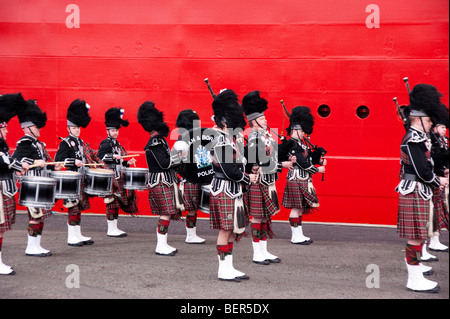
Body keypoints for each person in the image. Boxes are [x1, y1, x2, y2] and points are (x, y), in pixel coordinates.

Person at [396, 84, 448, 293]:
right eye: (428, 121)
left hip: (420, 189)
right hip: (415, 188)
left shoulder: (419, 138)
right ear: (418, 120)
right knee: (415, 236)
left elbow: (427, 165)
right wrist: (438, 181)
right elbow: (421, 171)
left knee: (419, 235)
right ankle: (414, 278)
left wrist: (437, 174)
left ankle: (416, 272)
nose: (431, 124)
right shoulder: (413, 139)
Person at [209, 89, 257, 281]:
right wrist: (247, 178)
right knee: (225, 229)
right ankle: (223, 270)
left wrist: (247, 170)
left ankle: (229, 266)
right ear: (224, 121)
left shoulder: (227, 138)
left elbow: (236, 163)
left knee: (231, 229)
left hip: (232, 189)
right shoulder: (218, 138)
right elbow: (228, 169)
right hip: (224, 188)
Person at [242, 90, 294, 265]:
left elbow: (272, 157)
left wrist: (286, 152)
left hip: (268, 181)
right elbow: (259, 163)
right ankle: (257, 252)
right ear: (254, 122)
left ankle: (264, 250)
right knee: (257, 217)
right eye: (262, 119)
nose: (266, 120)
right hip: (258, 181)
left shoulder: (265, 137)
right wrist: (282, 165)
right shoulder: (253, 138)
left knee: (265, 217)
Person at [13, 98, 63, 257]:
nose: (39, 128)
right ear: (27, 128)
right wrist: (35, 161)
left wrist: (52, 165)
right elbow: (16, 161)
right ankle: (31, 246)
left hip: (38, 184)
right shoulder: (25, 142)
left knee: (39, 216)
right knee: (34, 216)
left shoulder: (36, 143)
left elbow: (42, 163)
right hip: (31, 185)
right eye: (36, 126)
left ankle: (37, 245)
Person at [137, 101, 184, 256]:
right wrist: (179, 156)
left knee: (167, 212)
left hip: (165, 181)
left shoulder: (160, 140)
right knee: (165, 212)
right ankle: (160, 245)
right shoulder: (155, 142)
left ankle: (163, 243)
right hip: (160, 181)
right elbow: (164, 164)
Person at [54, 99, 101, 247]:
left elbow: (85, 156)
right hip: (70, 179)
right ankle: (71, 236)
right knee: (72, 207)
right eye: (74, 128)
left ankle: (78, 234)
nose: (77, 130)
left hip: (80, 178)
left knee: (78, 207)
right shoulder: (65, 142)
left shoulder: (81, 142)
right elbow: (58, 161)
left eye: (78, 128)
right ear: (68, 128)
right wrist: (73, 162)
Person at [278, 106, 326, 245]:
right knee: (295, 207)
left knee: (299, 208)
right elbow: (302, 163)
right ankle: (295, 236)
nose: (304, 133)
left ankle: (299, 234)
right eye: (302, 130)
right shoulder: (291, 144)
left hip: (302, 179)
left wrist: (318, 157)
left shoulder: (300, 143)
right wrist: (318, 170)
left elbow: (308, 158)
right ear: (295, 130)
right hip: (296, 179)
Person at [97, 107, 138, 237]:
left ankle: (114, 227)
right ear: (107, 131)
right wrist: (112, 157)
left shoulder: (117, 144)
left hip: (118, 176)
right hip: (111, 177)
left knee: (116, 203)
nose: (115, 133)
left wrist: (127, 162)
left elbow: (120, 160)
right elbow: (99, 157)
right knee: (111, 202)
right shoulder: (106, 143)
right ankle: (111, 228)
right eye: (113, 130)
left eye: (116, 130)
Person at [0, 93, 29, 274]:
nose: (7, 131)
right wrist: (19, 165)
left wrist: (17, 167)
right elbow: (3, 162)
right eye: (4, 129)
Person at [175, 109, 206, 244]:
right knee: (191, 208)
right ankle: (190, 235)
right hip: (190, 178)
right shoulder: (183, 140)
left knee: (193, 208)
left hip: (196, 176)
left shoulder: (190, 138)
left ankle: (192, 234)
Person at [428, 116, 449, 252]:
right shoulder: (427, 142)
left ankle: (434, 241)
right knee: (429, 215)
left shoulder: (442, 141)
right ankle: (418, 258)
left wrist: (446, 170)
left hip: (439, 179)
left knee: (437, 211)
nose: (444, 130)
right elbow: (428, 164)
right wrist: (437, 179)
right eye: (442, 127)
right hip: (432, 181)